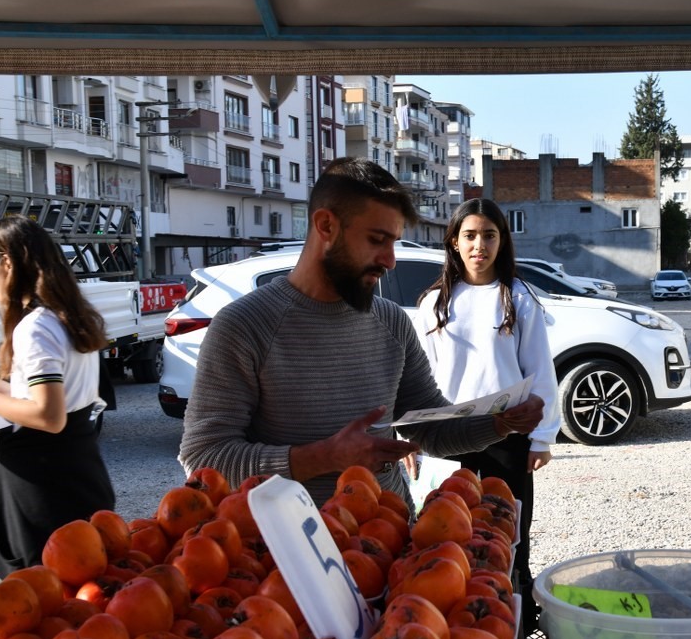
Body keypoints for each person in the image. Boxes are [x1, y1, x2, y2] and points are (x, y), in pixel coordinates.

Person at [178, 158, 544, 508]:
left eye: (394, 242)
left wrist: (499, 424)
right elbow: (204, 459)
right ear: (326, 226)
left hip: (393, 545)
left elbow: (432, 431)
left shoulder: (391, 321)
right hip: (292, 555)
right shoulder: (244, 326)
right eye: (376, 239)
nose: (390, 260)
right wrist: (323, 458)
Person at [0, 216, 114, 578]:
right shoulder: (67, 317)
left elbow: (49, 416)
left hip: (43, 482)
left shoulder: (35, 327)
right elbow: (64, 400)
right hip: (77, 466)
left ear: (7, 263)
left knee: (40, 591)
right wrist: (6, 391)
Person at [415, 198, 561, 623]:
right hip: (448, 436)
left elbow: (540, 372)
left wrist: (542, 437)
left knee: (508, 530)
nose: (480, 245)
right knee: (447, 529)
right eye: (471, 235)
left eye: (489, 235)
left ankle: (513, 611)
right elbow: (419, 375)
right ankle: (450, 609)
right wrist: (410, 436)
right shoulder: (434, 303)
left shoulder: (519, 299)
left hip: (507, 437)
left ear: (502, 241)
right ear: (454, 242)